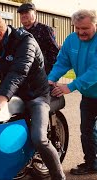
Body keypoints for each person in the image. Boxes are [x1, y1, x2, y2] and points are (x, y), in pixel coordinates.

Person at [0, 14, 65, 180]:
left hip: (35, 95)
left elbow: (17, 73)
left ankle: (59, 177)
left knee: (39, 138)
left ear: (0, 34)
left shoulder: (25, 42)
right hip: (12, 93)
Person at [48, 9, 97, 175]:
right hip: (89, 96)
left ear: (95, 24)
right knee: (87, 131)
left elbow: (95, 70)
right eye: (77, 28)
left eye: (85, 28)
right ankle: (91, 163)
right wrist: (51, 79)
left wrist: (70, 86)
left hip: (89, 87)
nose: (81, 32)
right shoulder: (71, 40)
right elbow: (62, 62)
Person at [17, 2, 59, 74]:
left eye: (26, 12)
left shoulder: (45, 29)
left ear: (35, 14)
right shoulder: (18, 32)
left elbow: (53, 52)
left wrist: (50, 74)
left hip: (42, 72)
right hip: (24, 73)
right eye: (21, 13)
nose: (23, 15)